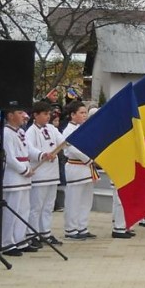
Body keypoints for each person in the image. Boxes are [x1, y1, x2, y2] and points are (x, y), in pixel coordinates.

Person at [0, 106, 51, 255]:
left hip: (25, 177)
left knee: (24, 210)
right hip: (13, 177)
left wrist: (42, 155)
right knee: (11, 210)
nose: (24, 116)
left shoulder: (21, 132)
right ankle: (7, 243)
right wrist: (24, 170)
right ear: (10, 115)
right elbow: (9, 157)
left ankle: (20, 239)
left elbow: (29, 149)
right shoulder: (6, 133)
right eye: (20, 113)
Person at [25, 101, 64, 246]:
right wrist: (43, 154)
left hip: (52, 174)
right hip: (40, 174)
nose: (48, 117)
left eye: (49, 114)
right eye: (45, 114)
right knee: (36, 206)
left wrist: (69, 141)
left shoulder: (52, 128)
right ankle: (31, 234)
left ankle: (45, 232)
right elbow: (29, 149)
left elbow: (61, 141)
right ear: (36, 115)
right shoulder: (31, 131)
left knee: (48, 206)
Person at [62, 101, 97, 240]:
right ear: (72, 115)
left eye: (85, 113)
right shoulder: (68, 130)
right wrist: (89, 159)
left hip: (87, 168)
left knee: (86, 200)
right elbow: (72, 148)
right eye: (81, 113)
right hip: (75, 166)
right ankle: (71, 228)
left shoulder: (85, 128)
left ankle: (82, 226)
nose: (84, 115)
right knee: (73, 200)